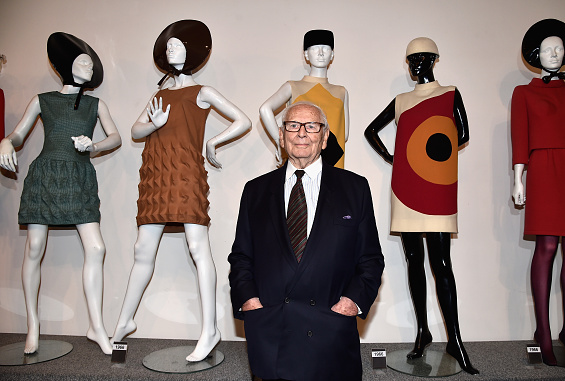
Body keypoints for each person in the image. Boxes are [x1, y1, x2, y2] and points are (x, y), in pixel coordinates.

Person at [110, 20, 251, 363]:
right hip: (157, 175)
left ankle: (210, 329)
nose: (172, 50)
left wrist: (214, 142)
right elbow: (135, 129)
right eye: (168, 46)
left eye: (178, 46)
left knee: (198, 248)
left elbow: (243, 120)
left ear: (190, 51)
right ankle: (125, 320)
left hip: (184, 174)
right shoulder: (158, 95)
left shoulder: (202, 91)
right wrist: (153, 124)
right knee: (142, 248)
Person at [229, 101, 384, 381]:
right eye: (293, 125)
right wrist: (250, 302)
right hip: (273, 334)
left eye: (312, 126)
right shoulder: (255, 191)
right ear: (281, 135)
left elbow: (370, 260)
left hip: (331, 333)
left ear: (324, 138)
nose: (302, 133)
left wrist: (351, 303)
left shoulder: (355, 188)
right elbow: (241, 257)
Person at [0, 32, 121, 355]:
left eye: (91, 62)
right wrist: (4, 142)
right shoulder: (43, 100)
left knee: (96, 247)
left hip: (79, 177)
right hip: (45, 177)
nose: (89, 65)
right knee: (34, 247)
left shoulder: (97, 104)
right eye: (83, 60)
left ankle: (96, 326)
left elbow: (116, 137)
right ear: (66, 65)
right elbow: (18, 135)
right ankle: (33, 327)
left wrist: (93, 146)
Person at [364, 37, 478, 374]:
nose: (414, 65)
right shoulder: (401, 100)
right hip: (406, 188)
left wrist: (434, 151)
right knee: (414, 259)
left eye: (421, 59)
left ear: (433, 60)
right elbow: (372, 130)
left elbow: (463, 134)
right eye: (410, 60)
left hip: (437, 187)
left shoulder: (450, 93)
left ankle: (455, 339)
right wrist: (392, 157)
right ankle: (422, 331)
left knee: (441, 262)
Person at [511, 19, 565, 368]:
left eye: (559, 48)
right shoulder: (524, 92)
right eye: (547, 48)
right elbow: (520, 139)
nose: (554, 53)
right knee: (546, 245)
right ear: (535, 54)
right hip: (543, 170)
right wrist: (518, 179)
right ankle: (543, 332)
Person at [260, 29, 349, 168]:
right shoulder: (293, 87)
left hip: (333, 160)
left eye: (325, 49)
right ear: (306, 55)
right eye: (315, 49)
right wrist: (280, 140)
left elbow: (344, 134)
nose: (320, 53)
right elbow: (265, 109)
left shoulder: (341, 91)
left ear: (332, 54)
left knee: (331, 187)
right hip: (299, 156)